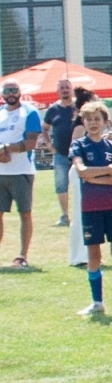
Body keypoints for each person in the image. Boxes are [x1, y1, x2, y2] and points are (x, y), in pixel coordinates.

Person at [70, 101, 112, 317]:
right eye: (89, 119)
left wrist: (93, 178)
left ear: (105, 122)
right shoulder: (78, 145)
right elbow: (81, 171)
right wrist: (106, 170)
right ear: (83, 122)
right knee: (93, 255)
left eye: (97, 119)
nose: (93, 123)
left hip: (111, 206)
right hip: (90, 208)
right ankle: (97, 301)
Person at [0, 78, 41, 267]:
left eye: (13, 90)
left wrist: (7, 148)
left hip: (21, 171)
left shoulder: (29, 112)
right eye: (7, 90)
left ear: (19, 91)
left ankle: (22, 256)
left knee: (24, 213)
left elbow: (31, 142)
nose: (10, 94)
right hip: (1, 172)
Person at [44, 78, 77, 226]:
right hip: (61, 155)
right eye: (62, 88)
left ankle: (81, 213)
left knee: (81, 184)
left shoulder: (79, 108)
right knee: (61, 185)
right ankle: (65, 215)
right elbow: (44, 129)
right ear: (57, 91)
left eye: (67, 87)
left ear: (72, 90)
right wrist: (49, 145)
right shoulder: (52, 110)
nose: (65, 90)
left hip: (78, 155)